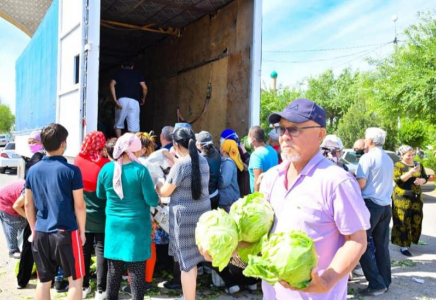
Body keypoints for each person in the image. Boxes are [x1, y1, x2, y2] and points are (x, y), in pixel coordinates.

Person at [200, 98, 370, 299]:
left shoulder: (337, 181)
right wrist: (227, 249)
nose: (285, 136)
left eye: (295, 129)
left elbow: (357, 241)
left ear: (320, 134)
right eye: (282, 129)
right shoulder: (272, 177)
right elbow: (260, 239)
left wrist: (326, 281)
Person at [24, 123, 86, 300]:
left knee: (43, 281)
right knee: (75, 280)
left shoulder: (32, 170)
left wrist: (33, 228)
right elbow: (79, 205)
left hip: (42, 231)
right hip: (66, 231)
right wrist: (82, 231)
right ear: (63, 143)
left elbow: (28, 205)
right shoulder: (72, 171)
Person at [96, 133, 159, 300]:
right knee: (137, 271)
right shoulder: (140, 170)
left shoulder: (106, 169)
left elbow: (100, 194)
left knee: (114, 271)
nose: (139, 153)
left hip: (114, 225)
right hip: (136, 227)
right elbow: (151, 199)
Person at [156, 127, 211, 300]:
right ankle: (190, 295)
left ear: (176, 145)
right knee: (194, 259)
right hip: (201, 216)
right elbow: (189, 167)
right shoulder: (202, 160)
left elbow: (165, 192)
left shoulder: (180, 166)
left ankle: (189, 298)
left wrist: (157, 182)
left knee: (186, 264)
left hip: (184, 219)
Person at [356, 127, 394, 296]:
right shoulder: (388, 158)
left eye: (365, 138)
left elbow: (361, 184)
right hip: (386, 206)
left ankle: (376, 283)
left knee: (360, 245)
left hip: (371, 205)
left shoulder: (367, 158)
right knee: (382, 246)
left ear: (370, 140)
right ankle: (385, 281)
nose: (364, 140)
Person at [74, 131, 110, 299]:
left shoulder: (77, 161)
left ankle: (83, 286)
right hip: (102, 213)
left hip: (83, 214)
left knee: (84, 250)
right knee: (101, 250)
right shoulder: (106, 164)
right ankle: (101, 290)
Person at [392, 145, 427, 256]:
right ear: (402, 155)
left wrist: (421, 180)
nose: (411, 157)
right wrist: (411, 172)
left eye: (413, 154)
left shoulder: (418, 165)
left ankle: (411, 239)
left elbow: (425, 177)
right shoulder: (398, 165)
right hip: (401, 198)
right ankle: (403, 246)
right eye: (408, 155)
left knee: (416, 219)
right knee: (403, 221)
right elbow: (398, 181)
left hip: (416, 198)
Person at [109, 60, 148, 137]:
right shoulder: (138, 74)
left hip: (121, 100)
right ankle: (131, 146)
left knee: (118, 124)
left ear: (122, 66)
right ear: (132, 67)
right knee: (134, 127)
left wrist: (115, 100)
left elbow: (111, 84)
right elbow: (145, 88)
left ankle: (119, 143)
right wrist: (143, 98)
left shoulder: (118, 73)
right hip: (134, 101)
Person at [0, 179, 27, 258]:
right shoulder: (29, 191)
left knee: (23, 224)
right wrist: (28, 217)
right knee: (12, 226)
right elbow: (16, 206)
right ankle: (13, 250)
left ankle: (21, 245)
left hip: (16, 201)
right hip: (5, 201)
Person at [220, 129, 250, 197]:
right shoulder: (240, 150)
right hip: (238, 190)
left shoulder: (236, 152)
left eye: (222, 139)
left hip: (235, 191)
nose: (220, 141)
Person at [247, 126, 278, 192]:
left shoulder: (256, 155)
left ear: (253, 140)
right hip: (272, 192)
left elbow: (258, 181)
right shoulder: (272, 151)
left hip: (262, 196)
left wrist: (256, 199)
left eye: (249, 136)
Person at [196, 131, 221, 209]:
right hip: (215, 193)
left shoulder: (202, 159)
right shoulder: (217, 153)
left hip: (206, 196)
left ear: (200, 145)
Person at [218, 140, 242, 212]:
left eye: (221, 147)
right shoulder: (227, 161)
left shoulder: (228, 163)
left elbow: (224, 183)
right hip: (229, 198)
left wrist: (213, 180)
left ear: (223, 150)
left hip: (228, 200)